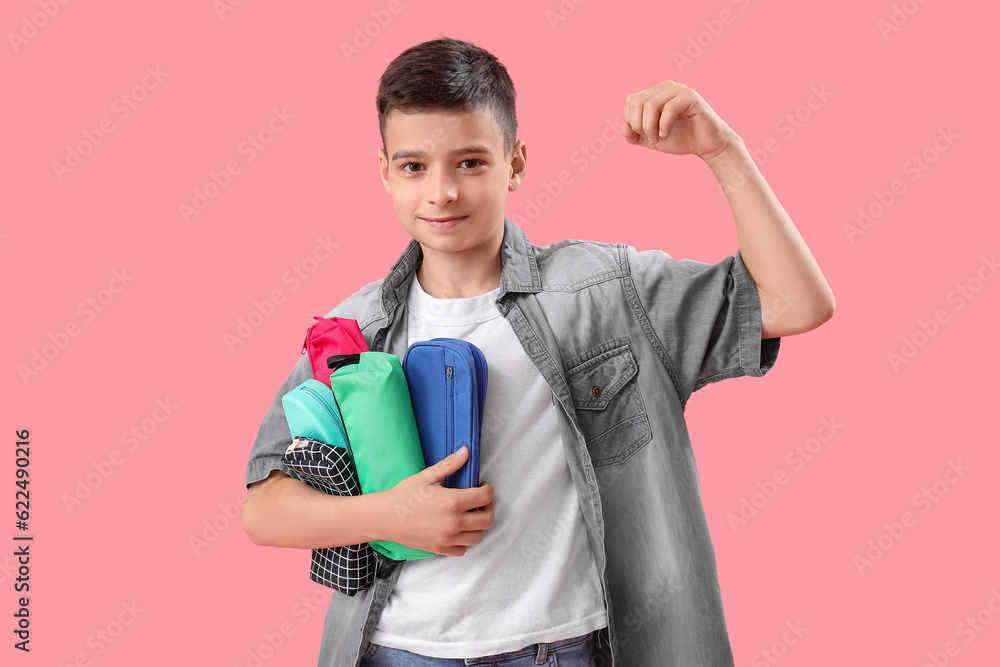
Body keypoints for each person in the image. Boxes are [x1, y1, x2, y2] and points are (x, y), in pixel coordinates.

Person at [240, 36, 835, 667]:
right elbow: (263, 507)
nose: (441, 192)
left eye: (470, 162)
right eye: (415, 167)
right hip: (398, 651)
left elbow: (797, 303)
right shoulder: (352, 328)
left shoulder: (606, 292)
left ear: (515, 163)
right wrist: (390, 516)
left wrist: (724, 153)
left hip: (565, 650)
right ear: (386, 171)